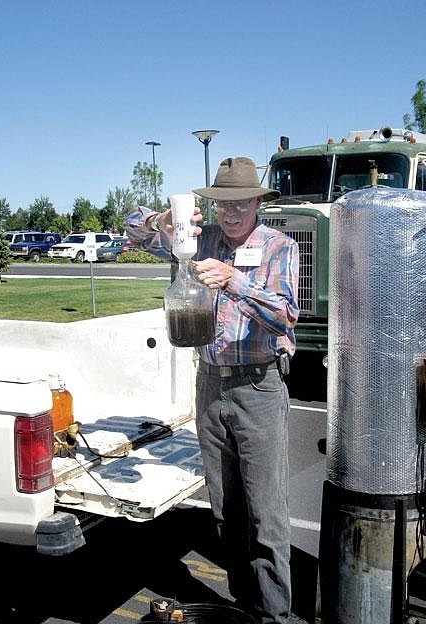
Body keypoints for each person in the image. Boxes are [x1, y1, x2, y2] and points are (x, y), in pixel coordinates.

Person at [126, 156, 299, 624]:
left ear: (258, 204)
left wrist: (236, 282)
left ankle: (274, 615)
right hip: (209, 383)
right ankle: (245, 602)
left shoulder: (278, 247)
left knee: (266, 511)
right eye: (224, 204)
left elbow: (286, 316)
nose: (231, 212)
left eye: (241, 203)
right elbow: (131, 231)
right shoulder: (200, 242)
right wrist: (161, 221)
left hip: (258, 386)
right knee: (225, 507)